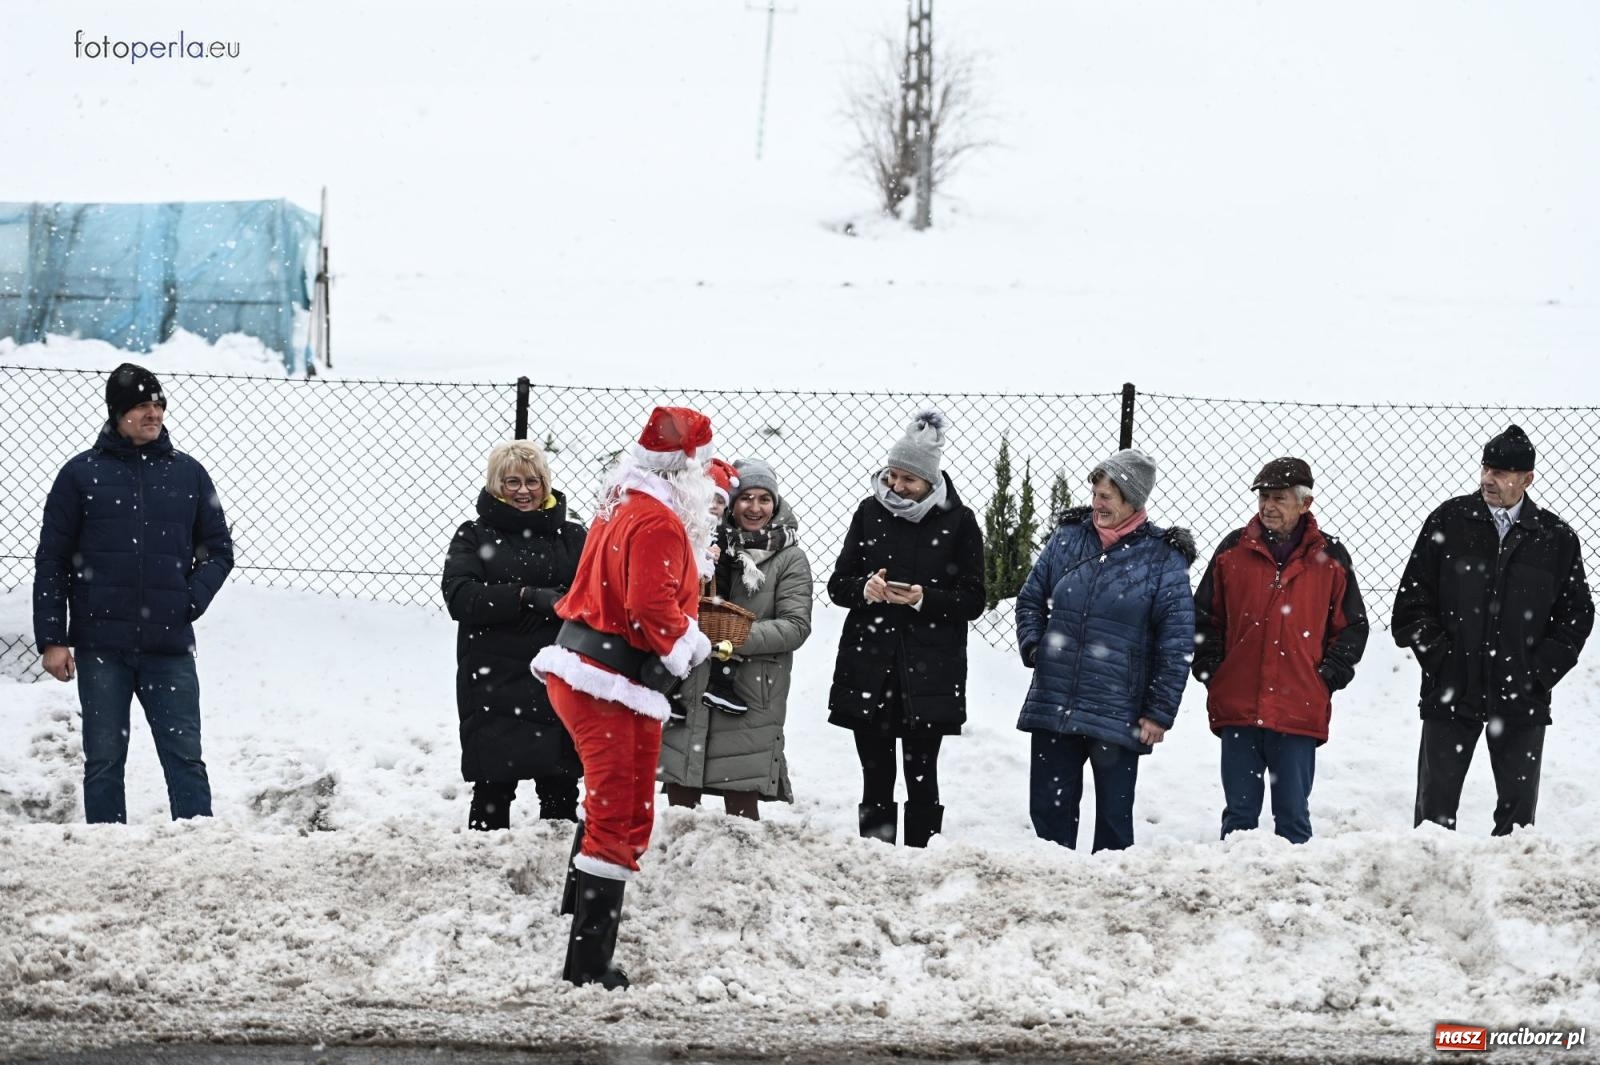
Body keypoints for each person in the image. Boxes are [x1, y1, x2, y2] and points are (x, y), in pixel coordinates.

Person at [531, 405, 717, 989]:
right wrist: (690, 646)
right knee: (622, 808)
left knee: (614, 800)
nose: (709, 482)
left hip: (588, 671)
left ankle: (573, 912)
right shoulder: (657, 521)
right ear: (683, 468)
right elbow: (652, 608)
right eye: (704, 469)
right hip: (608, 682)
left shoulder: (620, 505)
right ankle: (586, 965)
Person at [33, 362, 233, 824]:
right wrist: (52, 637)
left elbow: (219, 551)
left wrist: (188, 600)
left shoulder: (189, 474)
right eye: (142, 405)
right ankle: (105, 852)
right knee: (103, 761)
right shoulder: (79, 475)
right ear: (118, 412)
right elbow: (53, 560)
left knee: (185, 757)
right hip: (102, 645)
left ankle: (199, 849)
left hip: (168, 645)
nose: (154, 413)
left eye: (158, 403)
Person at [1392, 425, 1593, 836]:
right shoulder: (1449, 520)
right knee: (1433, 817)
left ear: (1527, 479)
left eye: (1501, 472)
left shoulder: (1555, 539)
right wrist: (1441, 660)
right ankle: (1431, 890)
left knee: (1518, 827)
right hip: (1452, 690)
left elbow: (1575, 618)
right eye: (1486, 467)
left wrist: (1536, 674)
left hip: (1520, 698)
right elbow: (1412, 604)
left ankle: (1510, 896)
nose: (1488, 479)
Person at [1015, 449, 1194, 852]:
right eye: (1095, 494)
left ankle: (1108, 899)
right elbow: (1030, 599)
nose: (1097, 505)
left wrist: (1158, 711)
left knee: (1114, 821)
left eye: (1107, 497)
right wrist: (1035, 646)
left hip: (1119, 705)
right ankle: (1053, 887)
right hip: (1055, 697)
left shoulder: (1163, 558)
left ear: (1132, 499)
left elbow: (1177, 641)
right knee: (1048, 812)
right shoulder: (1067, 539)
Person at [826, 409, 985, 847]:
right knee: (875, 774)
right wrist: (866, 589)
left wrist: (922, 599)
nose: (896, 487)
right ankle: (875, 858)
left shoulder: (960, 521)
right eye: (892, 476)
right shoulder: (868, 512)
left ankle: (921, 857)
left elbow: (973, 600)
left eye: (907, 480)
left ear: (930, 482)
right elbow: (838, 585)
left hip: (928, 671)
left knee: (922, 775)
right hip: (869, 666)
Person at [1191, 457, 1367, 844]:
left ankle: (1296, 899)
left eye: (1279, 498)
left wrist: (1326, 678)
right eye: (1264, 497)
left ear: (1305, 504)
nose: (1268, 506)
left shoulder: (1330, 558)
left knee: (1292, 818)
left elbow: (1351, 628)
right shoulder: (1233, 550)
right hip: (1238, 704)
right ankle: (1235, 895)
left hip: (1298, 708)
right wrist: (1213, 669)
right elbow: (1204, 617)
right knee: (1239, 817)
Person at [441, 440, 587, 830]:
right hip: (494, 677)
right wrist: (523, 597)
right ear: (495, 485)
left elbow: (595, 593)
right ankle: (483, 865)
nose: (524, 491)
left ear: (546, 483)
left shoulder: (573, 537)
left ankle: (557, 869)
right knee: (493, 787)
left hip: (556, 673)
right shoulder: (474, 535)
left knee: (560, 784)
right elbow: (460, 596)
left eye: (532, 481)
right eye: (512, 482)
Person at [660, 458, 813, 819]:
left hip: (751, 689)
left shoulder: (788, 558)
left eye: (764, 499)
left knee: (742, 800)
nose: (755, 508)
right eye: (745, 498)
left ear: (776, 504)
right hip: (692, 682)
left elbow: (795, 626)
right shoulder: (697, 543)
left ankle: (742, 873)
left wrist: (731, 637)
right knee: (682, 796)